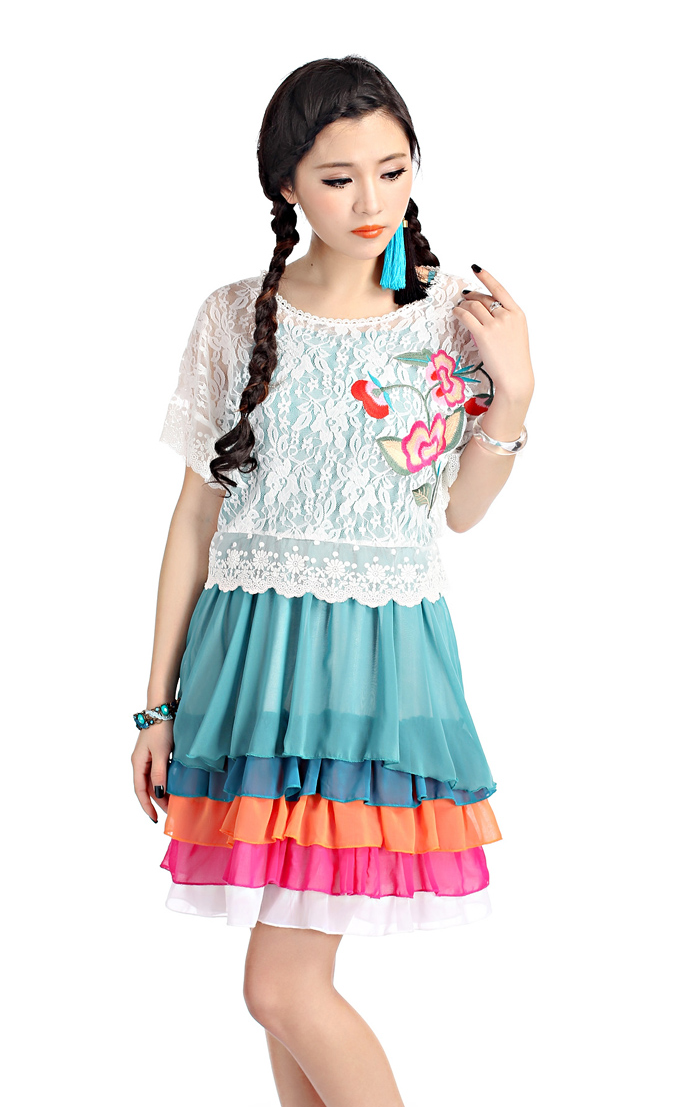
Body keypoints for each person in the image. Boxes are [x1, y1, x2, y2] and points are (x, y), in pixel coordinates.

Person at [131, 55, 534, 1107]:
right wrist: (157, 705)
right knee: (284, 995)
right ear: (287, 185)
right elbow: (194, 520)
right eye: (339, 177)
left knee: (280, 986)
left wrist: (514, 396)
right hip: (247, 667)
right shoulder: (234, 316)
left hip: (371, 661)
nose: (371, 201)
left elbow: (459, 512)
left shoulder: (447, 319)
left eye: (393, 171)